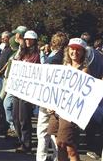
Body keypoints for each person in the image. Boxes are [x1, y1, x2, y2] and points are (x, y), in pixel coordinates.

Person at [48, 38, 89, 161]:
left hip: (70, 113)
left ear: (83, 52)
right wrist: (51, 104)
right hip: (57, 111)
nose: (74, 52)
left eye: (78, 50)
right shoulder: (64, 66)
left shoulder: (84, 69)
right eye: (72, 49)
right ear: (68, 50)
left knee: (70, 147)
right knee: (60, 145)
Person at [36, 32, 68, 161]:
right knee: (53, 133)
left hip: (48, 99)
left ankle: (42, 158)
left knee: (45, 131)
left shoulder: (55, 58)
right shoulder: (62, 58)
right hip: (53, 99)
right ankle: (55, 157)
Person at [13, 30, 40, 153]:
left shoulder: (36, 54)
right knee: (16, 117)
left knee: (24, 118)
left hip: (27, 91)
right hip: (18, 88)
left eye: (30, 39)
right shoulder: (22, 52)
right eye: (26, 39)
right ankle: (20, 140)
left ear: (34, 40)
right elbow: (15, 61)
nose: (28, 41)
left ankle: (26, 144)